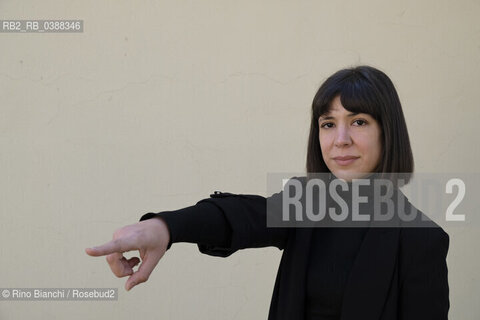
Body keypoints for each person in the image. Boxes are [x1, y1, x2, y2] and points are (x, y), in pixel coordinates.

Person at [86, 66, 449, 320]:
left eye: (358, 122)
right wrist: (165, 228)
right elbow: (242, 216)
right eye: (328, 124)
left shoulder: (421, 240)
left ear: (389, 132)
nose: (340, 140)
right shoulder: (309, 201)